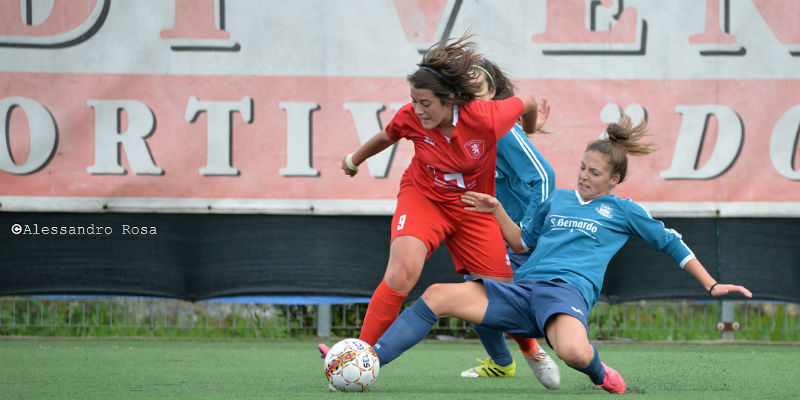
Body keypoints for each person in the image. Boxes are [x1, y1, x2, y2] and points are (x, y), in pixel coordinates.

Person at [369, 114, 753, 394]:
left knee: (571, 352)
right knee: (436, 295)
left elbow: (670, 242)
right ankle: (368, 361)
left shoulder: (623, 210)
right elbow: (522, 244)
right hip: (524, 290)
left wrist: (711, 284)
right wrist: (497, 210)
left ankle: (600, 373)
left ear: (615, 180)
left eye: (595, 173)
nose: (584, 175)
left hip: (565, 293)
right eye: (583, 167)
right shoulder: (557, 199)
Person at [317, 31, 540, 368]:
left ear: (450, 99)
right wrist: (353, 160)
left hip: (472, 206)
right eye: (414, 100)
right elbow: (386, 136)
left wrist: (530, 128)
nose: (418, 110)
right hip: (424, 197)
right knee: (402, 271)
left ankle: (531, 351)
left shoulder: (486, 117)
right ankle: (357, 356)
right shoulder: (410, 116)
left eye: (426, 103)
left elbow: (529, 101)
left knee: (500, 289)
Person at [459, 58, 560, 389]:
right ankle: (504, 363)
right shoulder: (457, 127)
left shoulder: (500, 128)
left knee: (494, 299)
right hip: (482, 232)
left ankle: (566, 355)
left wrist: (527, 233)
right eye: (462, 90)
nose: (468, 98)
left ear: (493, 92)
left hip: (514, 235)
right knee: (477, 299)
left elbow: (544, 177)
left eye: (476, 90)